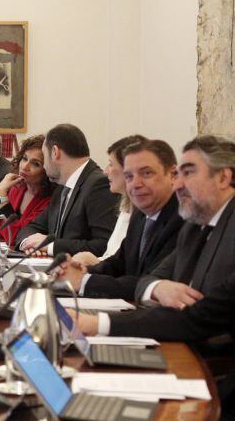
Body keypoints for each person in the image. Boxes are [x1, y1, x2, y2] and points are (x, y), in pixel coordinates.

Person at [76, 135, 235, 335]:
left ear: (223, 178)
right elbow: (147, 279)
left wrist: (96, 324)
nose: (177, 185)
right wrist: (157, 287)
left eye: (188, 173)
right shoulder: (194, 227)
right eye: (179, 175)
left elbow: (201, 316)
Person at [58, 139, 183, 301]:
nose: (136, 184)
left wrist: (84, 282)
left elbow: (149, 282)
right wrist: (84, 271)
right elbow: (119, 262)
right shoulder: (140, 214)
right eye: (129, 176)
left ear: (173, 174)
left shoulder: (182, 218)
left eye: (146, 173)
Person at [16, 123, 120, 256]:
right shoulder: (62, 186)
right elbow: (32, 227)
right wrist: (28, 243)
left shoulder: (98, 184)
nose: (45, 165)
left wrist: (50, 246)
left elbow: (104, 245)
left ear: (55, 152)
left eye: (44, 155)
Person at [72, 134, 146, 266]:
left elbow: (126, 268)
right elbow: (113, 258)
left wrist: (94, 263)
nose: (105, 172)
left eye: (111, 164)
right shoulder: (126, 206)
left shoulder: (144, 214)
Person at [0, 134, 53, 245]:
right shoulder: (17, 188)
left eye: (35, 164)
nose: (25, 166)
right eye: (24, 158)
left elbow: (17, 238)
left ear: (47, 170)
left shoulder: (49, 201)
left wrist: (1, 194)